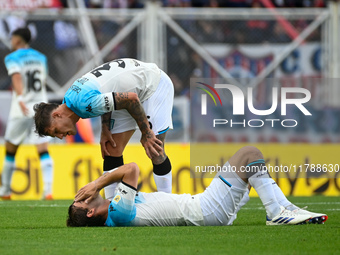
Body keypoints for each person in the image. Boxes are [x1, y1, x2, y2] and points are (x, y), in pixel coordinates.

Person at [67, 146, 328, 227]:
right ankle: (276, 212)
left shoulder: (113, 212)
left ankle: (284, 208)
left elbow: (118, 166)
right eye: (83, 198)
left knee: (249, 167)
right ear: (90, 212)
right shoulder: (117, 214)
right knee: (249, 154)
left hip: (203, 210)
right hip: (204, 210)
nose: (86, 193)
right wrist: (96, 183)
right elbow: (132, 168)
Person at [33, 58, 174, 199]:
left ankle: (167, 202)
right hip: (130, 91)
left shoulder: (82, 104)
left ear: (57, 115)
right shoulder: (70, 99)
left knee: (155, 148)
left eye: (56, 131)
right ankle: (110, 206)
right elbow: (104, 97)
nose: (60, 136)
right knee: (110, 149)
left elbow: (131, 99)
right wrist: (105, 128)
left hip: (153, 84)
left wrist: (146, 132)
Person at [0, 28, 54, 200]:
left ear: (17, 39)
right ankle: (48, 191)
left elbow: (16, 77)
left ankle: (6, 191)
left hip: (21, 108)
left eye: (12, 37)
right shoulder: (41, 57)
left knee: (10, 150)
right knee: (43, 150)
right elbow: (43, 80)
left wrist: (22, 97)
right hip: (40, 108)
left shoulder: (12, 57)